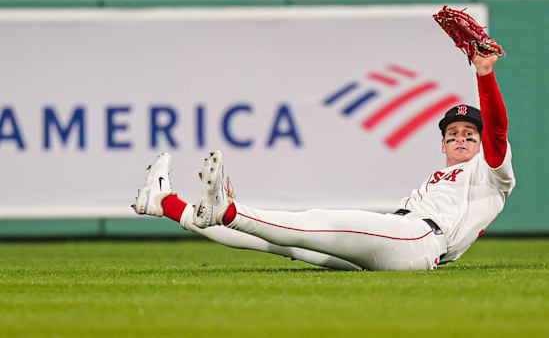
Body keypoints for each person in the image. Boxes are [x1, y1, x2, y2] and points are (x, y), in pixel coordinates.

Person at [132, 53, 515, 271]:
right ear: (442, 145)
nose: (461, 138)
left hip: (420, 241)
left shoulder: (491, 171)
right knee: (274, 242)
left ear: (482, 143)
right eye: (452, 134)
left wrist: (485, 74)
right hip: (399, 240)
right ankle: (164, 203)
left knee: (319, 220)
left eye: (469, 134)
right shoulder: (439, 175)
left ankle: (227, 210)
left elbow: (496, 131)